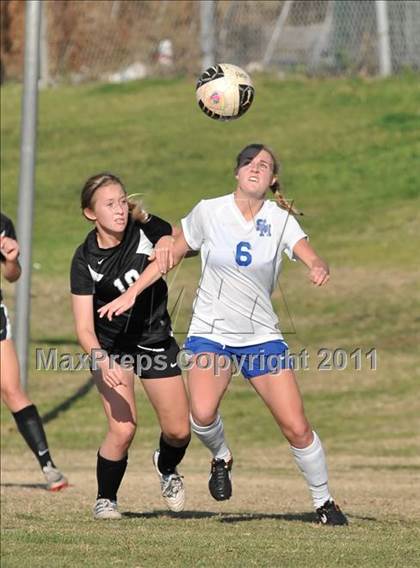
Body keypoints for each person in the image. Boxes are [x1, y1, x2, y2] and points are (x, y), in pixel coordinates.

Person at [98, 144, 349, 526]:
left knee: (296, 426)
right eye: (249, 162)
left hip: (261, 336)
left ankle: (324, 501)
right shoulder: (209, 211)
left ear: (272, 179)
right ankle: (222, 456)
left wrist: (317, 265)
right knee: (200, 414)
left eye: (264, 165)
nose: (255, 168)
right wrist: (132, 293)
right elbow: (171, 254)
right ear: (236, 172)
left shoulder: (280, 219)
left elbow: (308, 253)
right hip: (210, 333)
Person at [70, 173, 190, 520]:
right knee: (123, 429)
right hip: (112, 347)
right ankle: (105, 499)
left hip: (153, 338)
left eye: (122, 201)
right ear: (90, 214)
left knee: (179, 431)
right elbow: (82, 327)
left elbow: (171, 236)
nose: (120, 210)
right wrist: (100, 359)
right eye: (109, 204)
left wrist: (167, 240)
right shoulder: (85, 260)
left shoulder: (144, 229)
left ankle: (166, 467)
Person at [0, 212, 68, 491]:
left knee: (11, 389)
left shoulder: (2, 223)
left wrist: (13, 260)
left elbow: (11, 276)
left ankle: (49, 467)